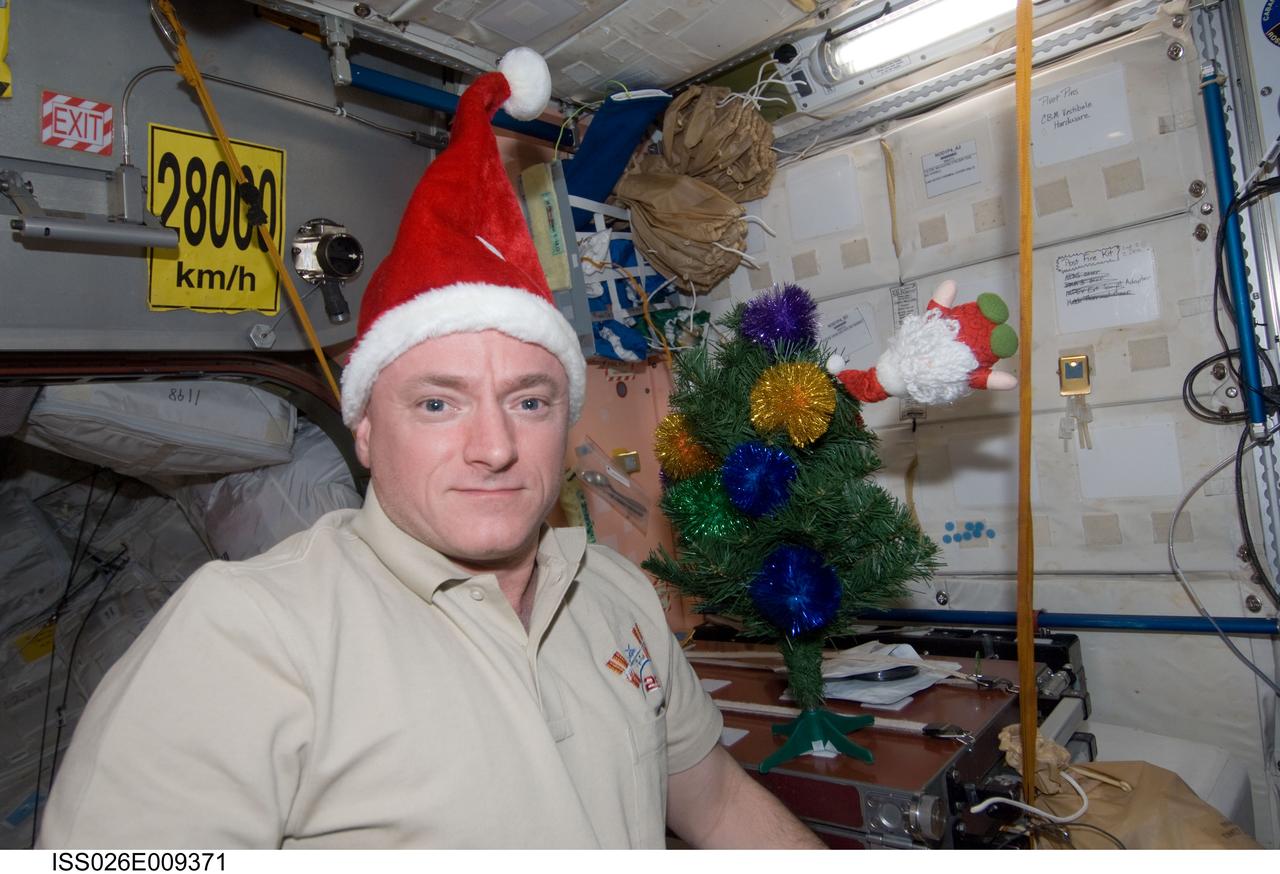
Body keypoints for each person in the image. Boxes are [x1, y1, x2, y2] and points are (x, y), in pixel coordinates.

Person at [37, 48, 824, 850]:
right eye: (438, 402)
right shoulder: (243, 637)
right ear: (367, 429)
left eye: (528, 399)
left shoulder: (617, 596)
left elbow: (717, 803)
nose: (494, 447)